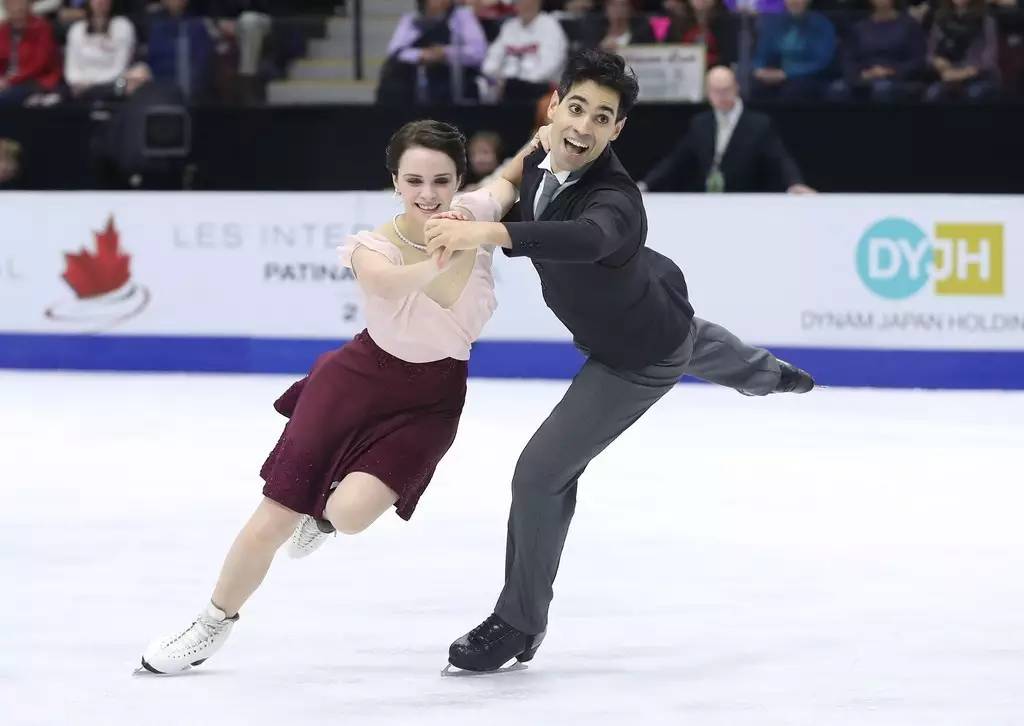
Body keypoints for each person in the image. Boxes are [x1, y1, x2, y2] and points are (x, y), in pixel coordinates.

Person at [424, 49, 815, 674]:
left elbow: (590, 238)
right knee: (704, 344)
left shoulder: (617, 197)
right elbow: (506, 181)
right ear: (554, 105)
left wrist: (489, 234)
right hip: (653, 307)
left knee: (540, 473)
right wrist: (476, 206)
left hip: (636, 355)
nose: (582, 127)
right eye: (575, 108)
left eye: (601, 117)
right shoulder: (543, 147)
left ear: (617, 129)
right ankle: (772, 375)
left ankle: (517, 621)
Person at [137, 120, 506, 675]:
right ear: (395, 182)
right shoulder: (371, 245)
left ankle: (326, 521)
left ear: (458, 182)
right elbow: (384, 284)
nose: (427, 193)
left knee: (350, 515)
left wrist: (549, 135)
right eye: (414, 180)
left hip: (431, 401)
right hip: (354, 382)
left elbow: (515, 174)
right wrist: (442, 255)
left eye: (440, 180)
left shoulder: (474, 215)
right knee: (274, 516)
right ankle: (211, 623)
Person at [639, 66, 814, 193]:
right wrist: (646, 184)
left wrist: (794, 183)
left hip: (745, 201)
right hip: (708, 201)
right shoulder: (700, 123)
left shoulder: (759, 124)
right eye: (716, 91)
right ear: (708, 93)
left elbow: (780, 158)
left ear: (736, 87)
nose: (721, 96)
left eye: (726, 90)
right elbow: (675, 160)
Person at [376, 0, 488, 106]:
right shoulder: (411, 19)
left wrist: (445, 53)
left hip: (452, 75)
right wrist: (421, 54)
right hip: (416, 76)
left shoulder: (462, 17)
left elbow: (478, 53)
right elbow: (395, 51)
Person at [828, 0, 927, 102]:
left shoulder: (909, 26)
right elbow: (848, 58)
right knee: (837, 89)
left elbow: (918, 60)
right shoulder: (859, 28)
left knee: (881, 89)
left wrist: (890, 72)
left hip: (896, 78)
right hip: (864, 76)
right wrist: (860, 74)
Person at [479, 0, 568, 103]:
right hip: (507, 87)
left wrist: (519, 82)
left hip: (539, 88)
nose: (519, 3)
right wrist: (496, 77)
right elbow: (491, 60)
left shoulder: (550, 26)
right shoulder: (509, 27)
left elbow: (550, 66)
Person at [752, 0, 837, 101]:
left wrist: (787, 74)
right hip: (775, 74)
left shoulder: (822, 24)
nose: (794, 1)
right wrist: (759, 70)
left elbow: (821, 62)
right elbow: (761, 54)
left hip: (810, 77)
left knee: (793, 91)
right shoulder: (773, 23)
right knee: (753, 87)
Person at [924, 0, 1000, 101]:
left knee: (974, 93)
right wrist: (936, 61)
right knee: (933, 93)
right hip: (948, 75)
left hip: (979, 77)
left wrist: (965, 73)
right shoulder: (940, 18)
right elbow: (930, 53)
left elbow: (989, 57)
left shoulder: (986, 19)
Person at [63, 0, 136, 101]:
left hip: (111, 84)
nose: (101, 2)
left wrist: (91, 83)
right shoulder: (76, 29)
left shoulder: (123, 26)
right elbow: (71, 67)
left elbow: (120, 68)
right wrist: (77, 81)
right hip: (79, 85)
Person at [0, 0, 61, 106]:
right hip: (7, 81)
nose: (17, 8)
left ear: (29, 6)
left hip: (35, 80)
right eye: (11, 3)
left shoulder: (42, 28)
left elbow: (38, 65)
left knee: (5, 98)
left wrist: (10, 81)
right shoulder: (3, 30)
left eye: (20, 3)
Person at [580, 0, 656, 52]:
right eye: (613, 5)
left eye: (623, 5)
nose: (618, 9)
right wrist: (600, 49)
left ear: (630, 9)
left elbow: (650, 52)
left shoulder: (643, 31)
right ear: (606, 8)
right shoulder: (594, 30)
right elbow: (584, 56)